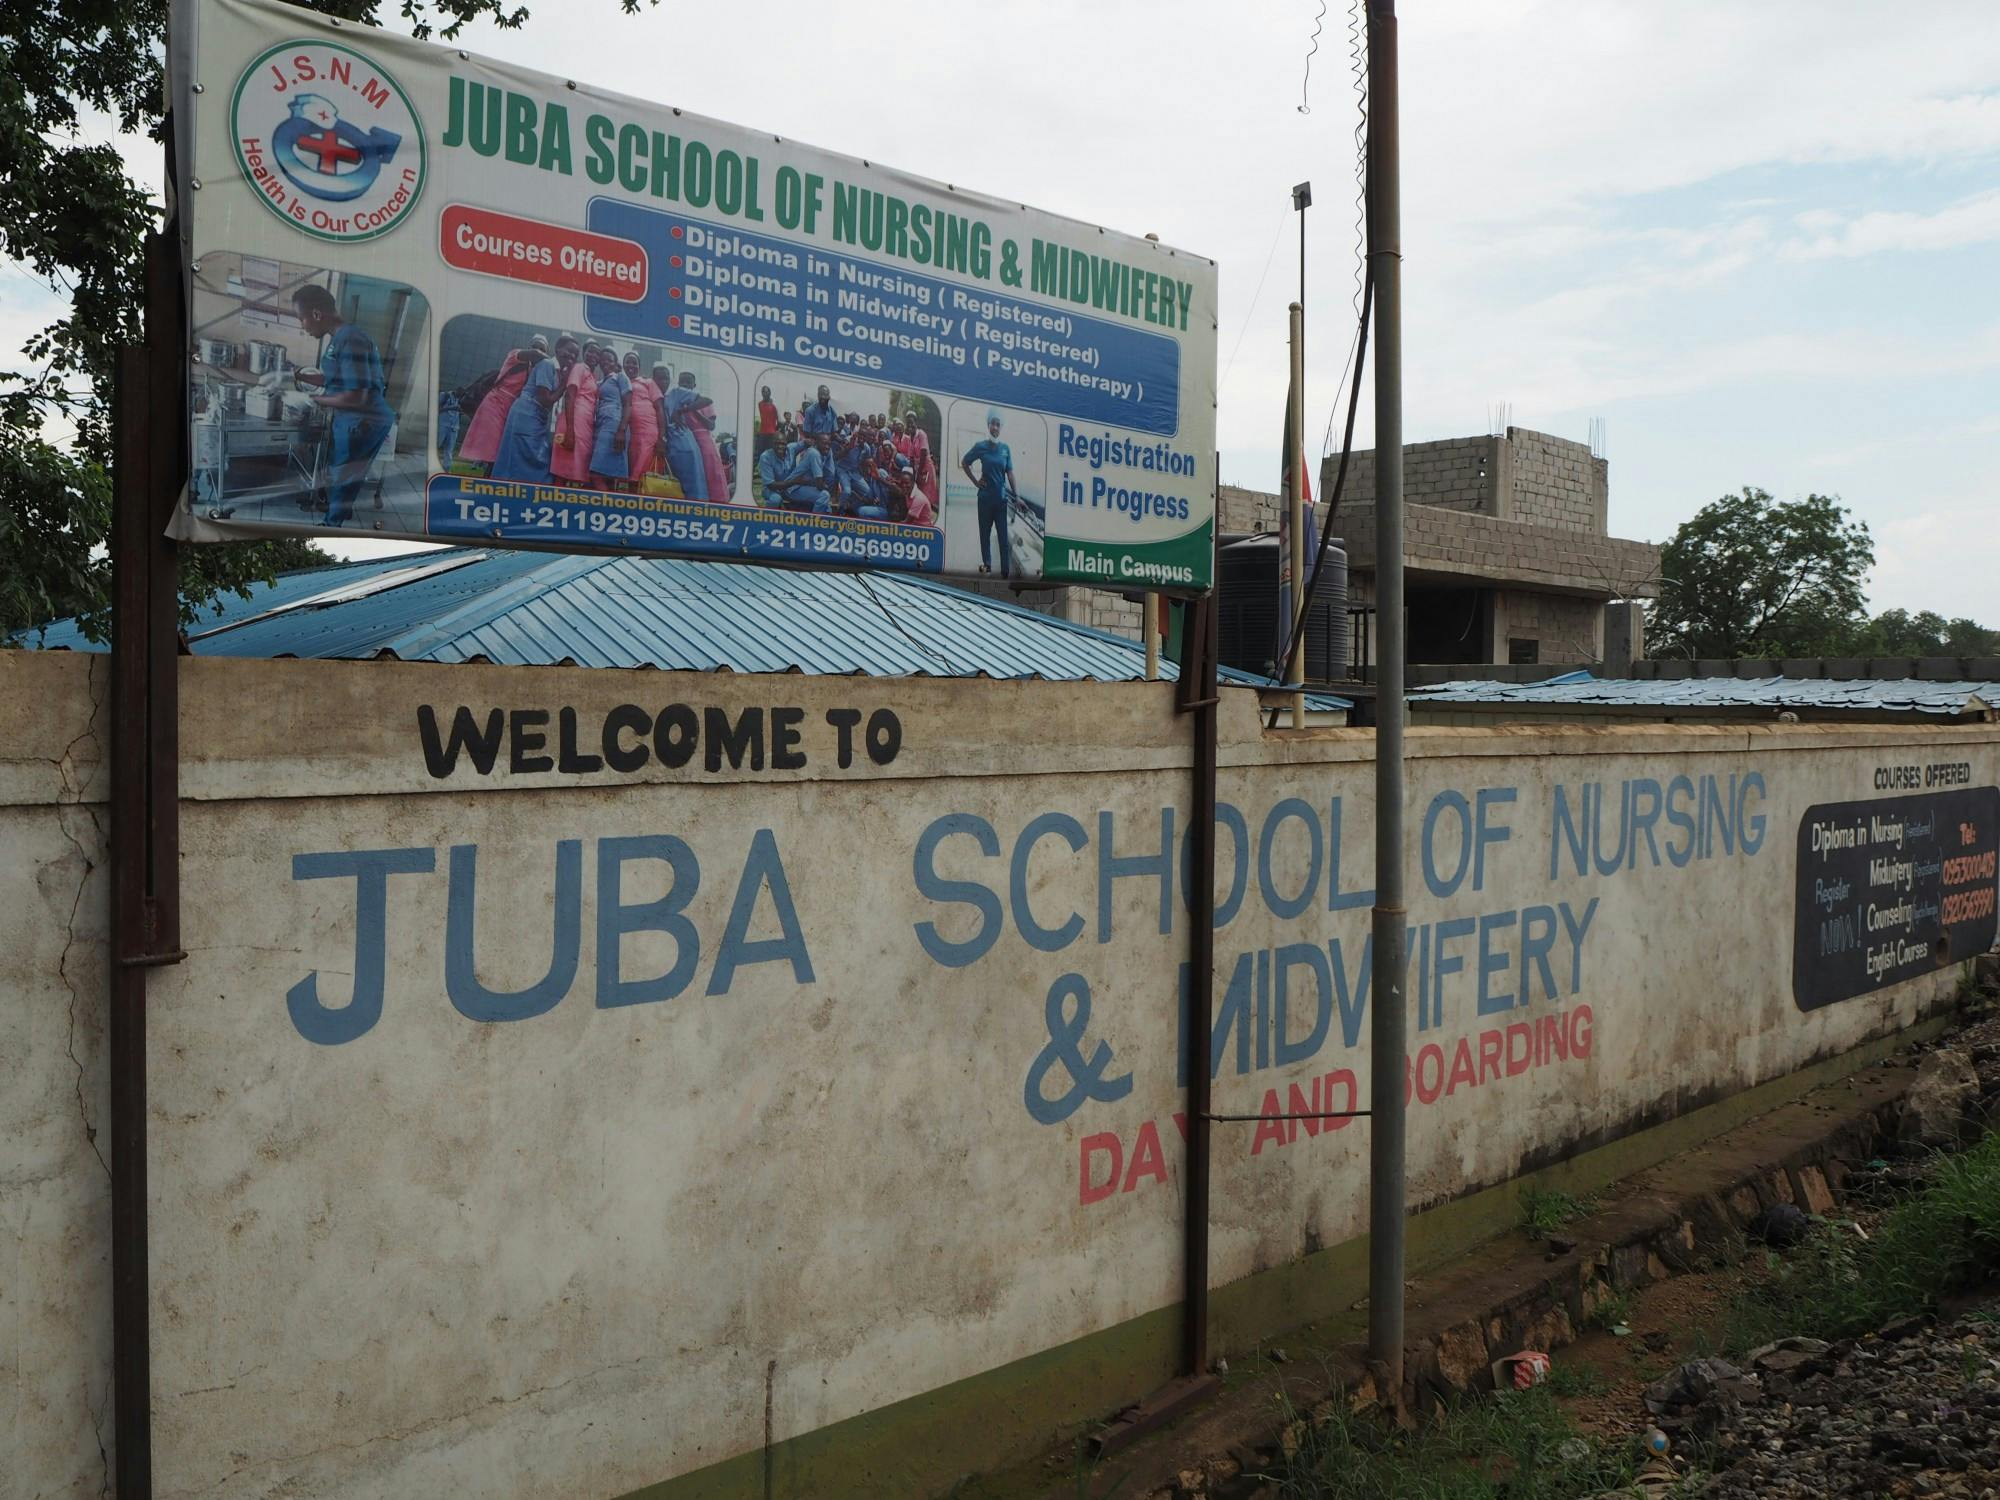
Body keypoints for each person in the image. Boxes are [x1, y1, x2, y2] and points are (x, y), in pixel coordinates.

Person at [291, 284, 395, 526]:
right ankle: (341, 511)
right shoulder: (339, 339)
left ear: (316, 314)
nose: (302, 326)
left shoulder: (350, 339)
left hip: (364, 420)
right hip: (354, 418)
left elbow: (357, 397)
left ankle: (332, 525)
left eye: (301, 319)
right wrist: (297, 375)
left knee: (344, 474)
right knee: (347, 471)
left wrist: (310, 400)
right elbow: (333, 378)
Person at [489, 333, 575, 483]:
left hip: (536, 416)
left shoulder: (557, 372)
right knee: (527, 455)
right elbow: (545, 400)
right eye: (569, 350)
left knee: (524, 456)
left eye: (575, 354)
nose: (571, 355)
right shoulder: (547, 364)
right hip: (527, 413)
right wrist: (563, 385)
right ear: (557, 349)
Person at [457, 335, 546, 471]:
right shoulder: (514, 356)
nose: (538, 350)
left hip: (511, 410)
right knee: (493, 449)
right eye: (535, 346)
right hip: (495, 404)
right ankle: (488, 477)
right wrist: (553, 360)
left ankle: (491, 476)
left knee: (501, 450)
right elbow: (535, 354)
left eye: (542, 349)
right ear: (529, 347)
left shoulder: (534, 371)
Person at [961, 408, 1018, 576]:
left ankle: (1005, 571)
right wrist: (975, 482)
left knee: (1003, 538)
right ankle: (987, 565)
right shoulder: (980, 447)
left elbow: (1010, 473)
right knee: (984, 535)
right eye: (993, 423)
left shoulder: (1005, 449)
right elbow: (965, 462)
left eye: (998, 425)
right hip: (985, 500)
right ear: (988, 425)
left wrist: (1017, 497)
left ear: (1001, 428)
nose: (995, 427)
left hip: (1001, 502)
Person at [549, 340, 598, 487]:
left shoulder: (592, 375)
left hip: (584, 427)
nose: (593, 355)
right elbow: (569, 395)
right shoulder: (579, 367)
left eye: (597, 353)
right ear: (584, 353)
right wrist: (570, 431)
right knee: (562, 473)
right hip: (572, 424)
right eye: (590, 351)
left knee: (576, 471)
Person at [589, 348, 633, 489]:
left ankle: (604, 501)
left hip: (614, 424)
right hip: (600, 426)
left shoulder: (620, 377)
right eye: (603, 360)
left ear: (615, 363)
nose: (605, 362)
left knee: (596, 474)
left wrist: (621, 430)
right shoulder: (600, 382)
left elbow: (628, 404)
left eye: (609, 360)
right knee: (606, 475)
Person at [626, 354, 664, 482]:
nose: (631, 365)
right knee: (633, 469)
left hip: (648, 431)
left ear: (639, 367)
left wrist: (661, 438)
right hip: (632, 434)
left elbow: (660, 409)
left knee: (644, 473)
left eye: (634, 363)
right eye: (628, 362)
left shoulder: (647, 382)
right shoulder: (621, 381)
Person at [436, 387, 462, 467]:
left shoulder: (459, 399)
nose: (460, 396)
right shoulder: (445, 395)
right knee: (436, 445)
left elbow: (457, 413)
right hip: (442, 425)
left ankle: (446, 468)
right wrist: (451, 408)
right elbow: (436, 409)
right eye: (459, 394)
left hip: (454, 427)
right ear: (455, 391)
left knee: (449, 450)